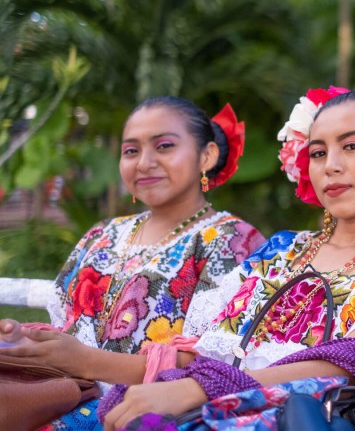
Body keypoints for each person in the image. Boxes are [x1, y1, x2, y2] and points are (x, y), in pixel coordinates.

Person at [97, 87, 355, 429]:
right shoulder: (281, 250)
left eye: (352, 146)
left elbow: (346, 363)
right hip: (208, 408)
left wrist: (202, 388)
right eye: (318, 152)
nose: (330, 165)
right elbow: (213, 348)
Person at [0, 97, 266, 426]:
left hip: (143, 413)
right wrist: (26, 342)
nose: (144, 163)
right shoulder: (104, 233)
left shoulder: (233, 240)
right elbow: (65, 326)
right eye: (131, 151)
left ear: (207, 156)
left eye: (164, 146)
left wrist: (86, 361)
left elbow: (216, 366)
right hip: (58, 394)